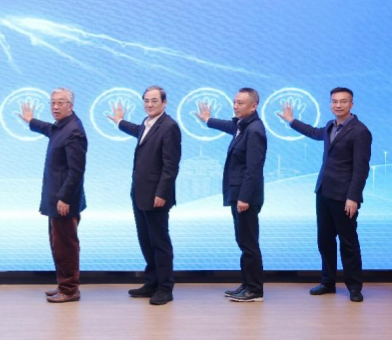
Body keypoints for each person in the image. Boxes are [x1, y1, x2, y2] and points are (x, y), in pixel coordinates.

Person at [277, 87, 372, 302]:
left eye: (343, 101)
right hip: (324, 192)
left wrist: (353, 197)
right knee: (325, 240)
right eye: (334, 101)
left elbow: (361, 168)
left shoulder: (360, 131)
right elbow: (314, 132)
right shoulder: (330, 125)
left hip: (344, 196)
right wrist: (291, 121)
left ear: (352, 104)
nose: (338, 105)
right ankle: (328, 282)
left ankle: (354, 287)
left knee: (348, 242)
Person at [107, 86, 181, 305]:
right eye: (146, 100)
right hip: (140, 193)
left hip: (157, 196)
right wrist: (120, 122)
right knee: (146, 241)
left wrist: (162, 193)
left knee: (159, 242)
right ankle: (152, 282)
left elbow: (171, 165)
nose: (149, 104)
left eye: (154, 101)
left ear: (164, 103)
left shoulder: (169, 126)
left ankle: (165, 288)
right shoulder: (147, 123)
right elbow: (137, 131)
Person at [196, 88, 266, 302]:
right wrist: (208, 120)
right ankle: (247, 284)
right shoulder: (242, 125)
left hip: (246, 198)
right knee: (243, 241)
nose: (235, 106)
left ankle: (255, 290)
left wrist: (244, 197)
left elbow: (254, 168)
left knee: (249, 244)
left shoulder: (254, 130)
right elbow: (228, 126)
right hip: (238, 195)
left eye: (240, 103)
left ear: (253, 106)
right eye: (234, 102)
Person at [18, 87, 87, 303]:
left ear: (70, 105)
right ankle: (63, 285)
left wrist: (65, 198)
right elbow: (49, 129)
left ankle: (69, 289)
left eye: (60, 103)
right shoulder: (62, 126)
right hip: (56, 199)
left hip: (64, 201)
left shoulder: (74, 131)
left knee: (66, 246)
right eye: (53, 103)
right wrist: (31, 121)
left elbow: (76, 171)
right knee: (58, 245)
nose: (55, 107)